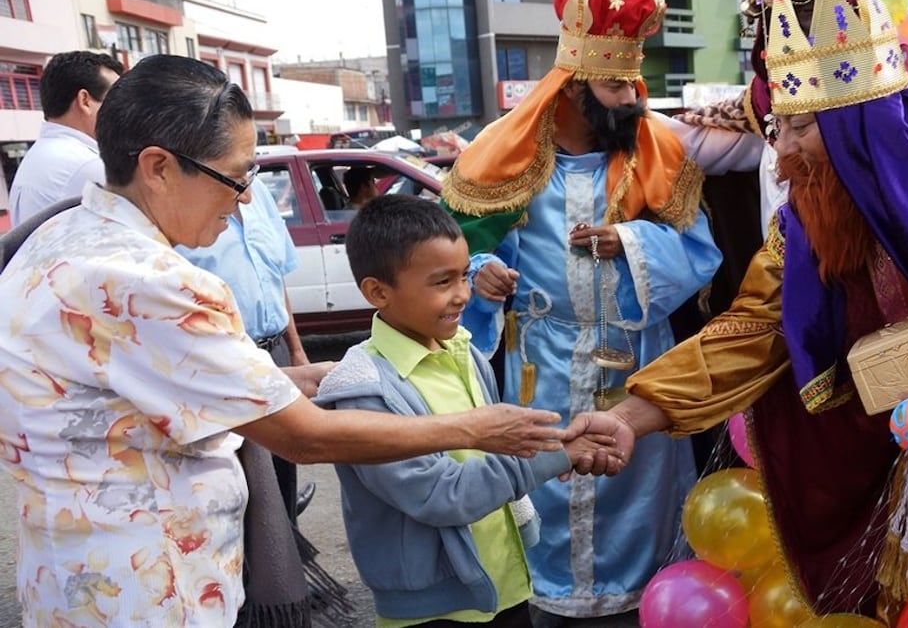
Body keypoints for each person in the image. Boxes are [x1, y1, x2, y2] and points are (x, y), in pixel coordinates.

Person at [568, 0, 908, 626]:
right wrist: (629, 417)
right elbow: (750, 332)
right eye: (775, 128)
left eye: (801, 127)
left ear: (861, 119)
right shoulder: (810, 218)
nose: (783, 154)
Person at [0, 54, 573, 626]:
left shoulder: (62, 235)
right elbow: (305, 437)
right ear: (158, 167)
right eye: (236, 176)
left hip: (69, 567)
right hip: (147, 584)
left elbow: (156, 383)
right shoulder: (151, 283)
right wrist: (478, 428)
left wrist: (305, 376)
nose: (246, 198)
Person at [441, 0, 758, 623]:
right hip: (544, 364)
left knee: (637, 494)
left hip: (635, 361)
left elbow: (702, 255)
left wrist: (634, 246)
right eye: (614, 86)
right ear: (573, 86)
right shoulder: (508, 156)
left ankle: (642, 598)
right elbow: (460, 254)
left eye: (632, 83)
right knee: (547, 491)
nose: (630, 99)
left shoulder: (659, 150)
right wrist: (482, 276)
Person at [314, 195, 621, 628]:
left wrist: (558, 441)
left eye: (464, 276)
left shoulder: (464, 351)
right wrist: (557, 454)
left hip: (506, 583)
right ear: (378, 291)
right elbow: (440, 494)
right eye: (442, 282)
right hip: (434, 611)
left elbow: (494, 454)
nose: (462, 294)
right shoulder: (364, 391)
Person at [176, 175, 316, 525]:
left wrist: (295, 350)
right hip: (225, 362)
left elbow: (274, 278)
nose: (249, 192)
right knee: (244, 486)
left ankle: (288, 559)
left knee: (284, 471)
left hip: (276, 352)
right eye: (239, 172)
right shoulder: (184, 209)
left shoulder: (260, 197)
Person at [9, 50, 124, 225]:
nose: (123, 111)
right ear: (85, 101)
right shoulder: (85, 166)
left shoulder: (39, 156)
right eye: (116, 100)